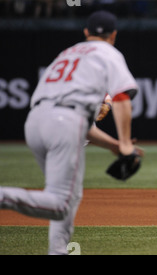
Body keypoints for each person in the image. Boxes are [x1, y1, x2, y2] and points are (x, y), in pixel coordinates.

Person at [0, 10, 142, 254]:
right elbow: (120, 96)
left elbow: (80, 126)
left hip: (35, 121)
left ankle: (58, 251)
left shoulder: (68, 53)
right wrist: (127, 144)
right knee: (60, 204)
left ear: (86, 33)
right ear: (114, 35)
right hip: (65, 120)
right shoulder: (108, 52)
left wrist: (115, 147)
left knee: (69, 195)